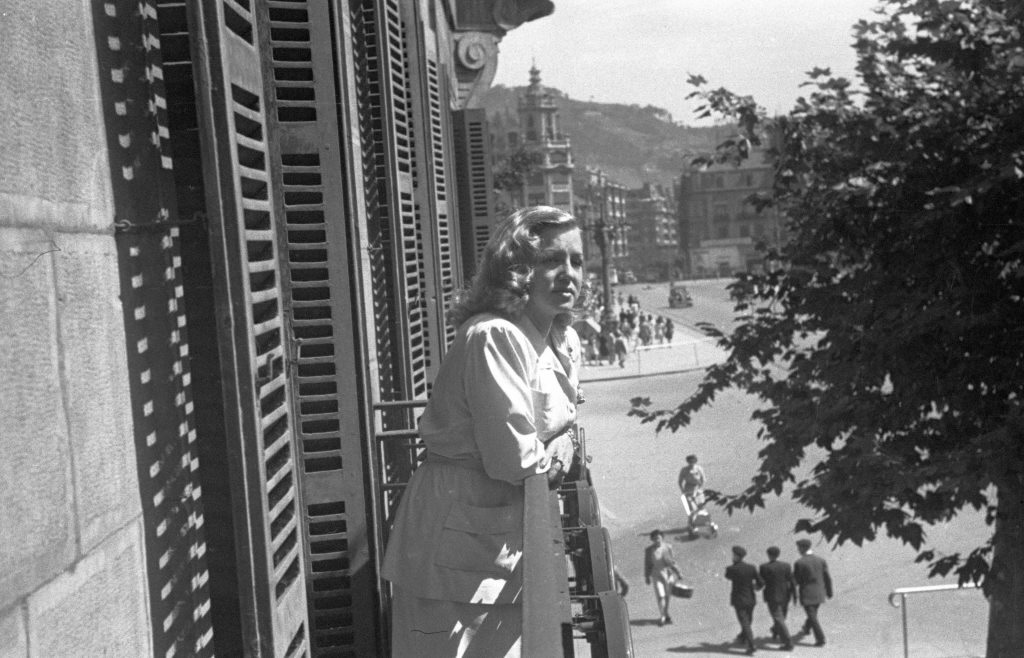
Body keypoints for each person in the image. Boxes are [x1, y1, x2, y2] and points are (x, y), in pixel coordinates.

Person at [381, 206, 585, 656]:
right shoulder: (495, 336)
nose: (568, 274)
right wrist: (559, 448)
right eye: (552, 260)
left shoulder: (561, 340)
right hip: (455, 546)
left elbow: (561, 425)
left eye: (577, 261)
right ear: (517, 268)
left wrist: (565, 442)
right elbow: (516, 459)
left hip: (503, 541)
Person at [793, 538, 834, 647]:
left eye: (799, 548)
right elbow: (827, 577)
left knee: (812, 616)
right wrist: (829, 592)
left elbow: (796, 580)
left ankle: (820, 638)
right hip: (820, 593)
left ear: (802, 548)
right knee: (813, 613)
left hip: (807, 594)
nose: (798, 550)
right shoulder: (821, 560)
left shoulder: (799, 562)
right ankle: (806, 628)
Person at [725, 545, 763, 655]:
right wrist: (756, 587)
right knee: (748, 620)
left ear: (736, 556)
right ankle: (742, 636)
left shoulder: (731, 569)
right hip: (751, 598)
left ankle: (751, 644)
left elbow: (728, 576)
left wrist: (734, 564)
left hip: (739, 599)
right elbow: (761, 582)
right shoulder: (751, 567)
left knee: (744, 621)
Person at [759, 546, 795, 650]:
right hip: (785, 595)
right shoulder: (786, 566)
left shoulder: (764, 567)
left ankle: (788, 642)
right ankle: (775, 630)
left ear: (768, 555)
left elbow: (761, 582)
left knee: (778, 618)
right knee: (781, 616)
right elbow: (791, 580)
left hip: (772, 596)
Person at [644, 529, 682, 626]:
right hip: (656, 574)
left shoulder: (667, 547)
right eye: (655, 538)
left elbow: (672, 562)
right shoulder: (649, 551)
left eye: (659, 538)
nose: (657, 540)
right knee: (660, 595)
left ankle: (665, 613)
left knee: (667, 596)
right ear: (652, 540)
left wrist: (678, 572)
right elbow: (647, 564)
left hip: (667, 574)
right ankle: (663, 616)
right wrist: (647, 576)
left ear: (662, 538)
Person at [678, 454, 707, 529]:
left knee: (701, 506)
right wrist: (683, 490)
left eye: (693, 461)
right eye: (690, 461)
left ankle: (704, 522)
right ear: (687, 461)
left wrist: (700, 489)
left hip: (698, 488)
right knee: (692, 509)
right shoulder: (684, 470)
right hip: (688, 488)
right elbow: (680, 481)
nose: (691, 463)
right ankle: (691, 524)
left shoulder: (699, 468)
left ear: (695, 461)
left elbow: (703, 480)